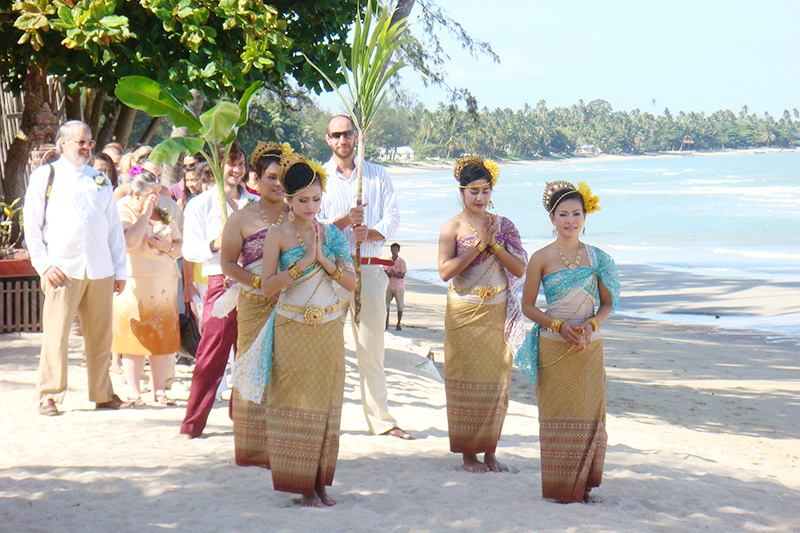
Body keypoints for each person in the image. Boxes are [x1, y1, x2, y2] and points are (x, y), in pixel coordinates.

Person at [233, 153, 355, 507]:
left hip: (328, 328)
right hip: (291, 326)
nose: (310, 207)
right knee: (295, 402)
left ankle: (320, 483)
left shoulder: (331, 234)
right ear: (288, 199)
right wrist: (302, 264)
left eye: (316, 199)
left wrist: (324, 260)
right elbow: (268, 287)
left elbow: (351, 282)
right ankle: (302, 485)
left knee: (327, 402)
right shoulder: (277, 235)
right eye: (302, 200)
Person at [518, 180, 619, 503]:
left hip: (589, 347)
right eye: (563, 214)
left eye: (576, 214)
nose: (570, 220)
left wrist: (591, 325)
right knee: (555, 417)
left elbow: (607, 304)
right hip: (553, 347)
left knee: (590, 416)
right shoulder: (541, 258)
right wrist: (558, 326)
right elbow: (528, 306)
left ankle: (584, 486)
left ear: (586, 216)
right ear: (552, 218)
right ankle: (561, 488)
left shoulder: (599, 258)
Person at [23, 120, 132, 415]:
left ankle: (102, 393)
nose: (86, 147)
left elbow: (113, 229)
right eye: (80, 142)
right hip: (61, 268)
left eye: (89, 142)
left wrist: (120, 270)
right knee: (56, 335)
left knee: (101, 337)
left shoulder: (100, 179)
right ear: (63, 143)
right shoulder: (45, 176)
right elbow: (31, 226)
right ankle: (49, 394)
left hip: (99, 268)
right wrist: (43, 264)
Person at [318, 115, 411, 440]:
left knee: (372, 349)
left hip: (369, 268)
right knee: (327, 349)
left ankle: (381, 420)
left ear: (356, 136)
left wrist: (369, 233)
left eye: (347, 134)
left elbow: (393, 217)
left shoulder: (376, 174)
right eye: (336, 135)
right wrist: (344, 223)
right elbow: (314, 224)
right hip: (332, 270)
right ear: (328, 139)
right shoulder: (320, 178)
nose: (342, 140)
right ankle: (323, 418)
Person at [437, 157, 527, 473]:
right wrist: (478, 247)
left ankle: (489, 452)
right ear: (461, 192)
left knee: (496, 383)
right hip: (464, 313)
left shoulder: (504, 226)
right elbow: (444, 272)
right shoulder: (452, 227)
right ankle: (468, 455)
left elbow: (520, 268)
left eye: (485, 191)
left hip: (497, 312)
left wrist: (496, 247)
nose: (480, 198)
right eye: (473, 191)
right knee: (464, 380)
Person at [216, 142, 291, 466]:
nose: (278, 183)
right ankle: (252, 448)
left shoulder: (298, 214)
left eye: (283, 177)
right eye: (271, 177)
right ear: (256, 179)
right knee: (250, 367)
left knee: (285, 370)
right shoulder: (241, 218)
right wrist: (262, 284)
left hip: (291, 301)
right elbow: (228, 265)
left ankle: (282, 443)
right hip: (254, 300)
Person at [177, 141, 257, 439]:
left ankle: (245, 419)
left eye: (240, 163)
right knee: (210, 355)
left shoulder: (255, 203)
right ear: (216, 167)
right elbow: (189, 250)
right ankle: (192, 424)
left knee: (252, 355)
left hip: (253, 283)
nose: (237, 169)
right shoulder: (201, 204)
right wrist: (215, 244)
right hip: (220, 282)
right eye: (231, 164)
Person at [112, 166, 183, 406]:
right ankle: (134, 391)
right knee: (134, 337)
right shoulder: (123, 209)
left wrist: (168, 247)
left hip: (163, 281)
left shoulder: (165, 212)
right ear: (137, 194)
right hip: (135, 281)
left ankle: (159, 389)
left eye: (158, 193)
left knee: (161, 336)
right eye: (151, 194)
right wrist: (144, 214)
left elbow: (180, 246)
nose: (156, 199)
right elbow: (129, 243)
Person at [383, 242, 407, 331]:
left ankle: (398, 323)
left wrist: (393, 273)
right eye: (393, 250)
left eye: (395, 250)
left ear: (398, 251)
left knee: (400, 306)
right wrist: (392, 274)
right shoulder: (388, 261)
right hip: (389, 286)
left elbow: (402, 275)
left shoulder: (402, 262)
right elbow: (384, 272)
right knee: (386, 305)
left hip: (399, 287)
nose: (394, 252)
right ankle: (386, 323)